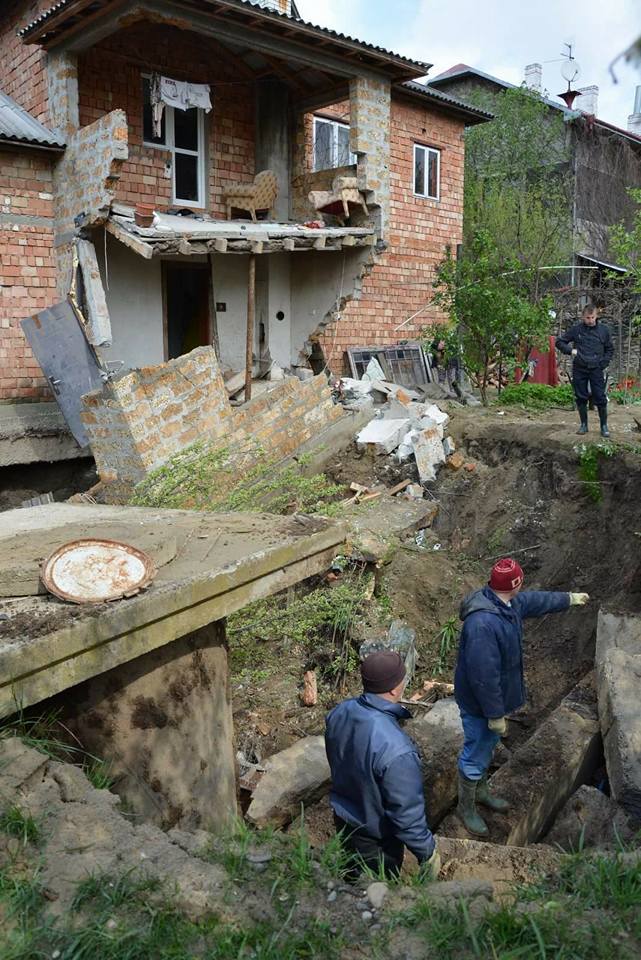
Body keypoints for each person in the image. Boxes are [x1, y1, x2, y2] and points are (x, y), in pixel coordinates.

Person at [454, 558, 589, 837]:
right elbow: (483, 676)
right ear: (514, 583)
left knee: (486, 747)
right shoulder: (482, 625)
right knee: (475, 752)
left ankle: (481, 792)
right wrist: (494, 714)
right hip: (480, 704)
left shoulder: (506, 603)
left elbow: (536, 601)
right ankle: (465, 808)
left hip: (494, 699)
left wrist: (568, 599)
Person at [325, 651, 440, 880]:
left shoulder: (340, 712)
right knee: (377, 889)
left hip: (344, 821)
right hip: (377, 841)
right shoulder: (397, 750)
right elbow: (406, 813)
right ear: (394, 689)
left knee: (351, 878)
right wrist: (427, 851)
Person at [556, 303, 613, 437]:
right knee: (581, 396)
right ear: (583, 317)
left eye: (592, 317)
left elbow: (609, 349)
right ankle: (583, 425)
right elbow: (559, 342)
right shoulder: (577, 330)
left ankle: (604, 426)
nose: (590, 320)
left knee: (600, 396)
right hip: (580, 367)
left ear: (596, 316)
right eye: (588, 318)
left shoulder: (603, 330)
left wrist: (603, 363)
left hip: (596, 368)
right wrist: (570, 350)